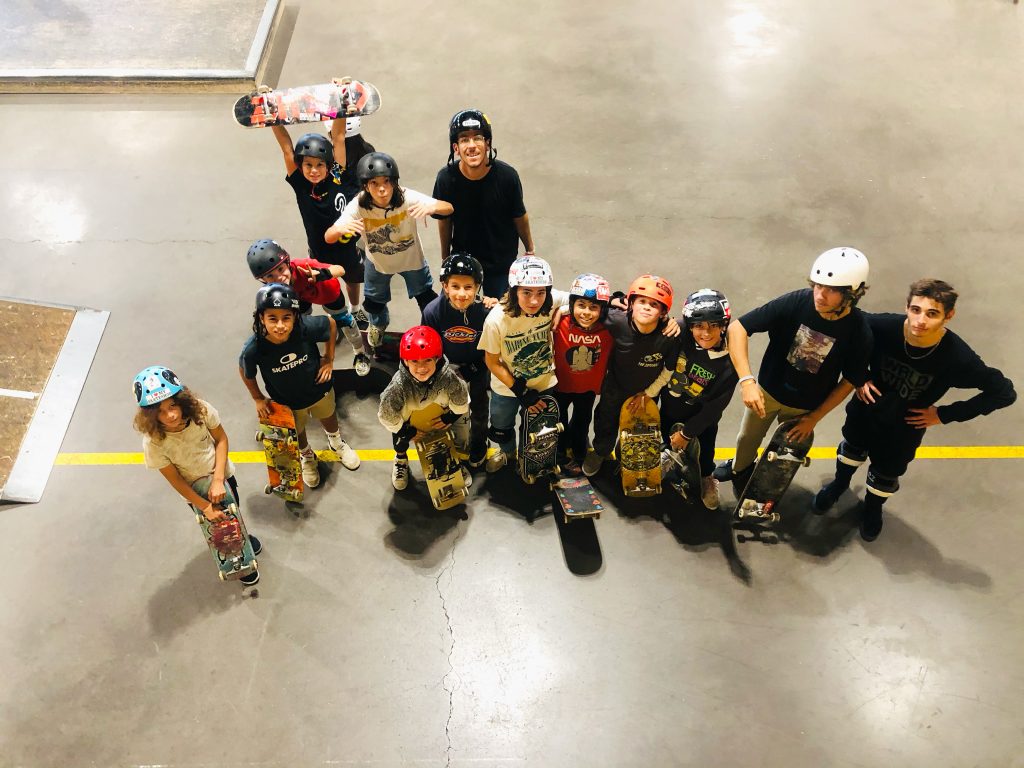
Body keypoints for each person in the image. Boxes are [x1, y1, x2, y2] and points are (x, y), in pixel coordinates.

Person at [813, 278, 1016, 541]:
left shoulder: (957, 358)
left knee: (885, 475)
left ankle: (873, 509)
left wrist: (943, 415)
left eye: (932, 314)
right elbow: (848, 332)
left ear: (949, 315)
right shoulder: (882, 327)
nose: (921, 320)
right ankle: (839, 485)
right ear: (906, 307)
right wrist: (860, 376)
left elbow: (1003, 393)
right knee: (850, 451)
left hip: (905, 427)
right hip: (866, 410)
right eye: (916, 310)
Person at [713, 247, 874, 494]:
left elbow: (850, 380)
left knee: (786, 455)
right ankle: (739, 469)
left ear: (852, 294)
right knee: (746, 439)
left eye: (831, 290)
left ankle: (767, 485)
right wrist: (747, 382)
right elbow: (738, 329)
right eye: (818, 285)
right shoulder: (797, 301)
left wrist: (815, 417)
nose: (820, 295)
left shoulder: (858, 330)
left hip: (805, 407)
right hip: (767, 393)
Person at [133, 366, 262, 586]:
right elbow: (174, 478)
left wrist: (219, 479)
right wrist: (204, 506)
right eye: (160, 412)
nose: (170, 415)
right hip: (194, 490)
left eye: (173, 406)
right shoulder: (154, 441)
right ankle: (236, 557)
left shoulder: (201, 411)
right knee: (219, 525)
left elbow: (221, 439)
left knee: (233, 511)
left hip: (221, 476)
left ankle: (243, 538)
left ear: (181, 400)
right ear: (151, 415)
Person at [239, 283, 361, 490]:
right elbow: (245, 371)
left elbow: (331, 324)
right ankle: (306, 454)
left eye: (286, 318)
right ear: (261, 318)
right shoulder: (254, 349)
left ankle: (336, 442)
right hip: (288, 402)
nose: (280, 325)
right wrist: (258, 398)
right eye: (272, 319)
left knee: (328, 414)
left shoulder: (305, 328)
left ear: (295, 316)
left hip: (318, 390)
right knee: (298, 429)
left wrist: (328, 358)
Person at [325, 152, 448, 351]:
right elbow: (328, 237)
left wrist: (430, 207)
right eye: (374, 183)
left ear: (394, 182)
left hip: (412, 261)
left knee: (426, 298)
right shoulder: (358, 205)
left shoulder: (406, 196)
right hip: (378, 263)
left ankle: (431, 326)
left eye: (387, 182)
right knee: (374, 303)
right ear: (365, 185)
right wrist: (339, 229)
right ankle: (379, 324)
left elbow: (448, 208)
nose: (382, 189)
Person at [270, 103, 374, 318]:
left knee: (353, 281)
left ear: (329, 165)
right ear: (300, 166)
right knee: (325, 285)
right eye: (308, 165)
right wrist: (273, 115)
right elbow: (287, 149)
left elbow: (338, 137)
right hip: (319, 252)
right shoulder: (301, 184)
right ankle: (335, 312)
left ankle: (355, 310)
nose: (314, 170)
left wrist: (341, 103)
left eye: (319, 165)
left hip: (347, 247)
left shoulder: (338, 176)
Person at [583, 275, 682, 477]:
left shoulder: (670, 335)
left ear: (663, 312)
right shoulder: (618, 321)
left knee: (638, 428)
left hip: (647, 391)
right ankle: (601, 451)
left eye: (654, 304)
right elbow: (591, 308)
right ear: (631, 304)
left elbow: (669, 369)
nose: (646, 307)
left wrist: (648, 393)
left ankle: (624, 453)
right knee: (605, 420)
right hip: (616, 385)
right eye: (642, 301)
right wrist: (612, 299)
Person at [478, 255, 568, 473]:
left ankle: (533, 459)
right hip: (507, 388)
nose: (534, 301)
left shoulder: (550, 301)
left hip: (543, 382)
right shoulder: (496, 320)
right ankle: (507, 453)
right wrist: (520, 390)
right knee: (501, 428)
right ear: (514, 290)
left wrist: (564, 310)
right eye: (526, 292)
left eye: (540, 293)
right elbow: (491, 361)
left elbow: (581, 299)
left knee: (540, 429)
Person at [432, 109, 535, 298]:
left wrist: (530, 249)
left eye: (477, 138)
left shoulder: (507, 177)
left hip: (501, 263)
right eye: (464, 139)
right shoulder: (446, 179)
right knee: (452, 313)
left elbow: (519, 216)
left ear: (487, 143)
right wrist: (445, 256)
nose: (471, 145)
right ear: (456, 147)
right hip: (463, 262)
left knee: (501, 317)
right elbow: (444, 221)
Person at [660, 289, 739, 509]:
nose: (706, 332)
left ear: (724, 325)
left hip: (702, 418)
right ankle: (668, 454)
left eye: (714, 325)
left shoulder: (730, 360)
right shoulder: (681, 331)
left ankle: (706, 477)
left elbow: (716, 406)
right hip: (669, 406)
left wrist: (687, 433)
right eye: (699, 326)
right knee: (666, 437)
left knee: (705, 451)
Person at [246, 238, 370, 376]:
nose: (279, 277)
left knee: (345, 321)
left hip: (326, 292)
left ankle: (360, 353)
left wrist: (324, 274)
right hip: (299, 297)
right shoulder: (273, 290)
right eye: (270, 276)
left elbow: (340, 269)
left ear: (287, 262)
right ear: (263, 280)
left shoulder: (303, 266)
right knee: (300, 323)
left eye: (281, 269)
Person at [377, 325, 472, 491]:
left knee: (459, 432)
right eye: (414, 361)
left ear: (437, 358)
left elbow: (461, 399)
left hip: (439, 413)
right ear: (405, 361)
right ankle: (401, 459)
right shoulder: (397, 386)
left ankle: (455, 462)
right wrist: (406, 431)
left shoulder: (449, 377)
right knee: (400, 440)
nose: (421, 368)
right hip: (408, 418)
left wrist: (449, 418)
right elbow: (387, 415)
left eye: (427, 360)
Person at [420, 253, 493, 468]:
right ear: (445, 286)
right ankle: (454, 443)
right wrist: (442, 371)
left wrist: (474, 368)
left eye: (468, 287)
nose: (462, 294)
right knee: (447, 409)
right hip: (447, 367)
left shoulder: (486, 311)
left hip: (479, 364)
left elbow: (493, 348)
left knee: (479, 407)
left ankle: (480, 440)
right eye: (455, 286)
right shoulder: (432, 312)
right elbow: (429, 348)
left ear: (478, 287)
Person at [552, 273, 614, 474]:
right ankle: (560, 455)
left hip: (587, 389)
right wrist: (561, 310)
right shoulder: (559, 322)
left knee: (582, 421)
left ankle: (578, 448)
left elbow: (631, 310)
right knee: (558, 422)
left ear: (602, 310)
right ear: (571, 305)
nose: (586, 312)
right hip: (560, 386)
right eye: (581, 305)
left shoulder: (609, 328)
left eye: (593, 307)